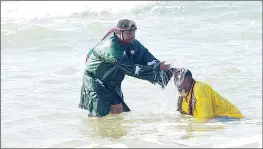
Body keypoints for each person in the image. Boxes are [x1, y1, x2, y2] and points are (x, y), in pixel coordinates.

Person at [79, 19, 174, 117]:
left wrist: (166, 71)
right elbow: (130, 69)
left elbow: (147, 59)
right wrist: (157, 68)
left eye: (134, 32)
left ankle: (116, 132)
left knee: (118, 111)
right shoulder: (111, 47)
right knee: (99, 116)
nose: (132, 35)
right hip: (95, 81)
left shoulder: (133, 43)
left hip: (112, 82)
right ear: (118, 32)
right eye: (129, 32)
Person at [173, 68, 243, 120]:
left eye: (179, 80)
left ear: (188, 80)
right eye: (175, 80)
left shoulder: (200, 89)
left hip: (229, 118)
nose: (177, 83)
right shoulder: (183, 92)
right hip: (217, 118)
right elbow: (182, 113)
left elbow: (206, 117)